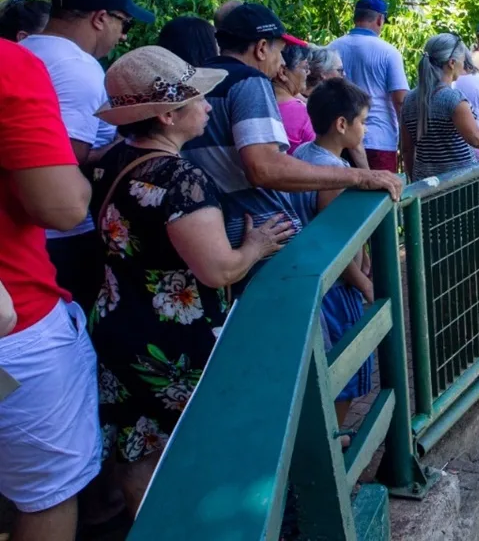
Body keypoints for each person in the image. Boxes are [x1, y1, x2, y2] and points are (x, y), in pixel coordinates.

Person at [87, 46, 294, 515]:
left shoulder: (105, 161)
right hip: (175, 342)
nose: (206, 106)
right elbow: (219, 269)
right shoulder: (181, 179)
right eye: (197, 99)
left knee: (138, 443)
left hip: (118, 324)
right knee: (205, 446)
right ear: (165, 116)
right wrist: (257, 245)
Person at [181, 3, 401, 290]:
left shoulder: (198, 80)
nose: (282, 63)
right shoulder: (250, 80)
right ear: (261, 48)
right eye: (279, 51)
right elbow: (264, 167)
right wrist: (361, 175)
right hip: (254, 240)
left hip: (212, 239)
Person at [0, 39, 96, 541]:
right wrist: (79, 183)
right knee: (45, 495)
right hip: (17, 328)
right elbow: (62, 208)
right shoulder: (10, 66)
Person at [22, 0, 154, 311]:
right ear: (100, 18)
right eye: (124, 24)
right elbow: (67, 158)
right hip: (59, 237)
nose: (123, 37)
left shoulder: (23, 49)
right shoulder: (77, 66)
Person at [292, 79, 377, 436]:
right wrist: (366, 285)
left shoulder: (303, 158)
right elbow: (335, 248)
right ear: (341, 125)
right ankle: (333, 443)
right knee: (346, 373)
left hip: (313, 279)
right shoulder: (335, 174)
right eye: (362, 121)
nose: (366, 128)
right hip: (335, 291)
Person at [402, 34, 479, 179]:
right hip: (458, 184)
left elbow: (406, 149)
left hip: (425, 185)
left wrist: (415, 181)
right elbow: (476, 138)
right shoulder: (452, 99)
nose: (464, 66)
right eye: (463, 61)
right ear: (451, 63)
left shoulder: (409, 99)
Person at [327, 0, 410, 172]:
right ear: (380, 19)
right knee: (381, 196)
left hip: (338, 139)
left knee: (343, 196)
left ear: (355, 17)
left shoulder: (332, 47)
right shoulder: (388, 52)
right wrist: (406, 139)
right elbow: (400, 100)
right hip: (378, 138)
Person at [273, 43, 315, 154]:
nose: (308, 72)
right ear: (282, 72)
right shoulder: (302, 112)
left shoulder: (258, 99)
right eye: (305, 67)